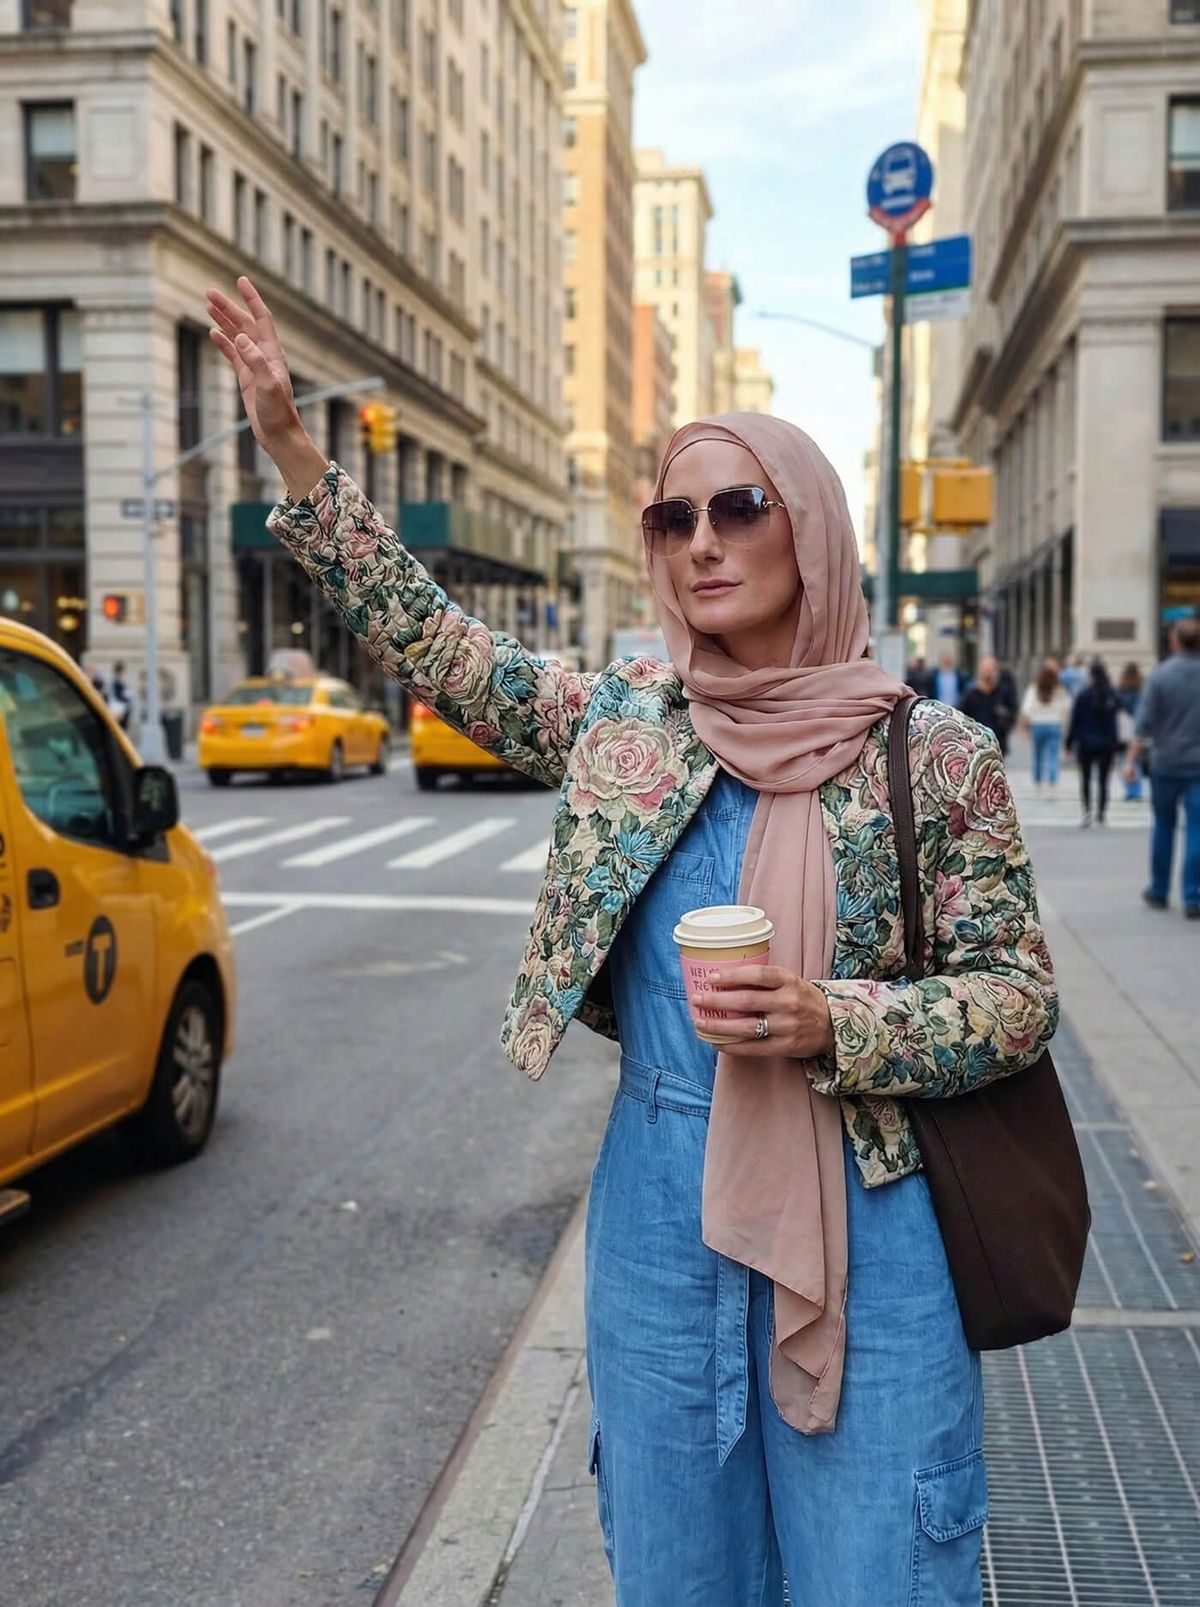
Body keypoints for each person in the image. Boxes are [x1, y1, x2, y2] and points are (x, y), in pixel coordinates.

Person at [207, 276, 1058, 1607]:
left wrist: (843, 1020)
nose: (701, 541)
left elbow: (1016, 999)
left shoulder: (932, 752)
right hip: (659, 1208)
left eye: (739, 507)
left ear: (813, 529)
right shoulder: (631, 727)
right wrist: (297, 455)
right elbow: (446, 646)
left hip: (871, 1206)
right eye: (673, 516)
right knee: (677, 1565)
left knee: (878, 1564)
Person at [1126, 618, 1200, 918]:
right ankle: (1192, 894)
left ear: (1174, 642)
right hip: (1198, 766)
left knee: (1164, 825)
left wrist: (1130, 760)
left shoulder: (1159, 676)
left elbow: (1142, 724)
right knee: (1196, 828)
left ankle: (1159, 889)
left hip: (1165, 763)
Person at [1066, 659, 1120, 827]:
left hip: (1086, 742)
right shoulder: (1112, 695)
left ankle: (1087, 810)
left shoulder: (1083, 695)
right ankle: (1102, 812)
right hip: (1106, 743)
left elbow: (1075, 720)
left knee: (1086, 778)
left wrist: (1069, 742)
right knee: (1104, 779)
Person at [1020, 659, 1072, 797]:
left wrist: (1026, 724)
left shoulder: (1034, 687)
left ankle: (1038, 783)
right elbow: (1067, 707)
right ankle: (1052, 783)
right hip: (1054, 724)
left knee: (1037, 755)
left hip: (1037, 724)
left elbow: (1026, 707)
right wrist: (1062, 720)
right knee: (1053, 756)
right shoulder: (1059, 689)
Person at [960, 655, 1016, 757]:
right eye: (985, 669)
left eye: (991, 669)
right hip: (975, 746)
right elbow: (960, 716)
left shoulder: (1003, 693)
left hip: (997, 745)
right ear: (979, 671)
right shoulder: (970, 695)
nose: (988, 672)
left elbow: (1012, 713)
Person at [1116, 662, 1145, 801]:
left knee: (1124, 759)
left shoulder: (1120, 689)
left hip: (1123, 727)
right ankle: (1136, 789)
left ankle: (1129, 788)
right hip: (1136, 725)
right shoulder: (1141, 690)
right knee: (1135, 759)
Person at [108, 660, 133, 731]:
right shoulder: (115, 682)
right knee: (120, 728)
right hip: (119, 708)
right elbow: (118, 696)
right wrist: (126, 696)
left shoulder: (122, 681)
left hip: (124, 707)